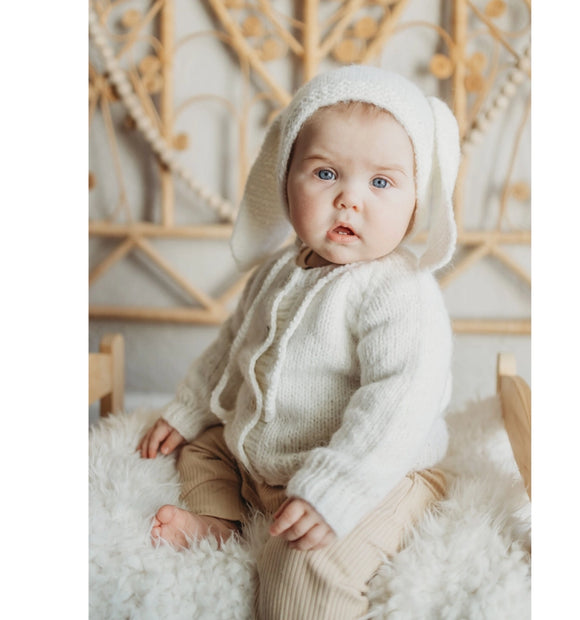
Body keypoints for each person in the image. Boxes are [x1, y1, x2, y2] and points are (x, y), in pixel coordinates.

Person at [138, 64, 460, 619]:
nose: (349, 200)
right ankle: (221, 522)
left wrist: (337, 485)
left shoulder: (399, 292)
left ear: (415, 202)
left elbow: (400, 399)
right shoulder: (276, 271)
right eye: (325, 173)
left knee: (306, 560)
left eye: (381, 182)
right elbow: (232, 347)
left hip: (378, 466)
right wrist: (191, 404)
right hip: (271, 455)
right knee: (204, 445)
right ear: (285, 181)